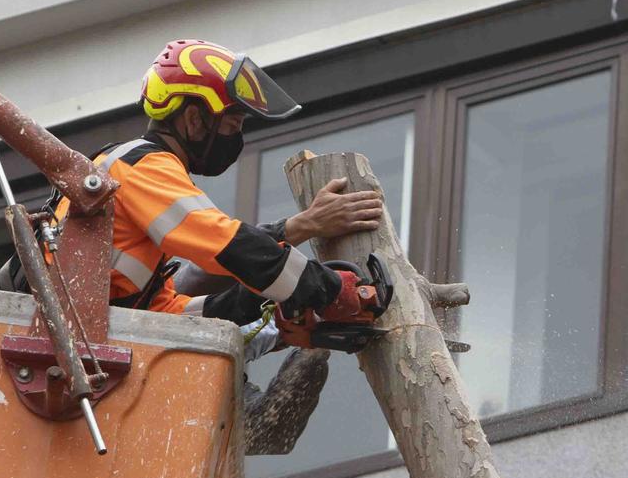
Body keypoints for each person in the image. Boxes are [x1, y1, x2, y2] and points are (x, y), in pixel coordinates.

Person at [57, 39, 384, 339]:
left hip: (83, 334)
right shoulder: (138, 165)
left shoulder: (141, 172)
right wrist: (328, 290)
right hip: (65, 334)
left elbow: (165, 316)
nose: (237, 138)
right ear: (195, 120)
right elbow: (226, 244)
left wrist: (267, 306)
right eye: (232, 124)